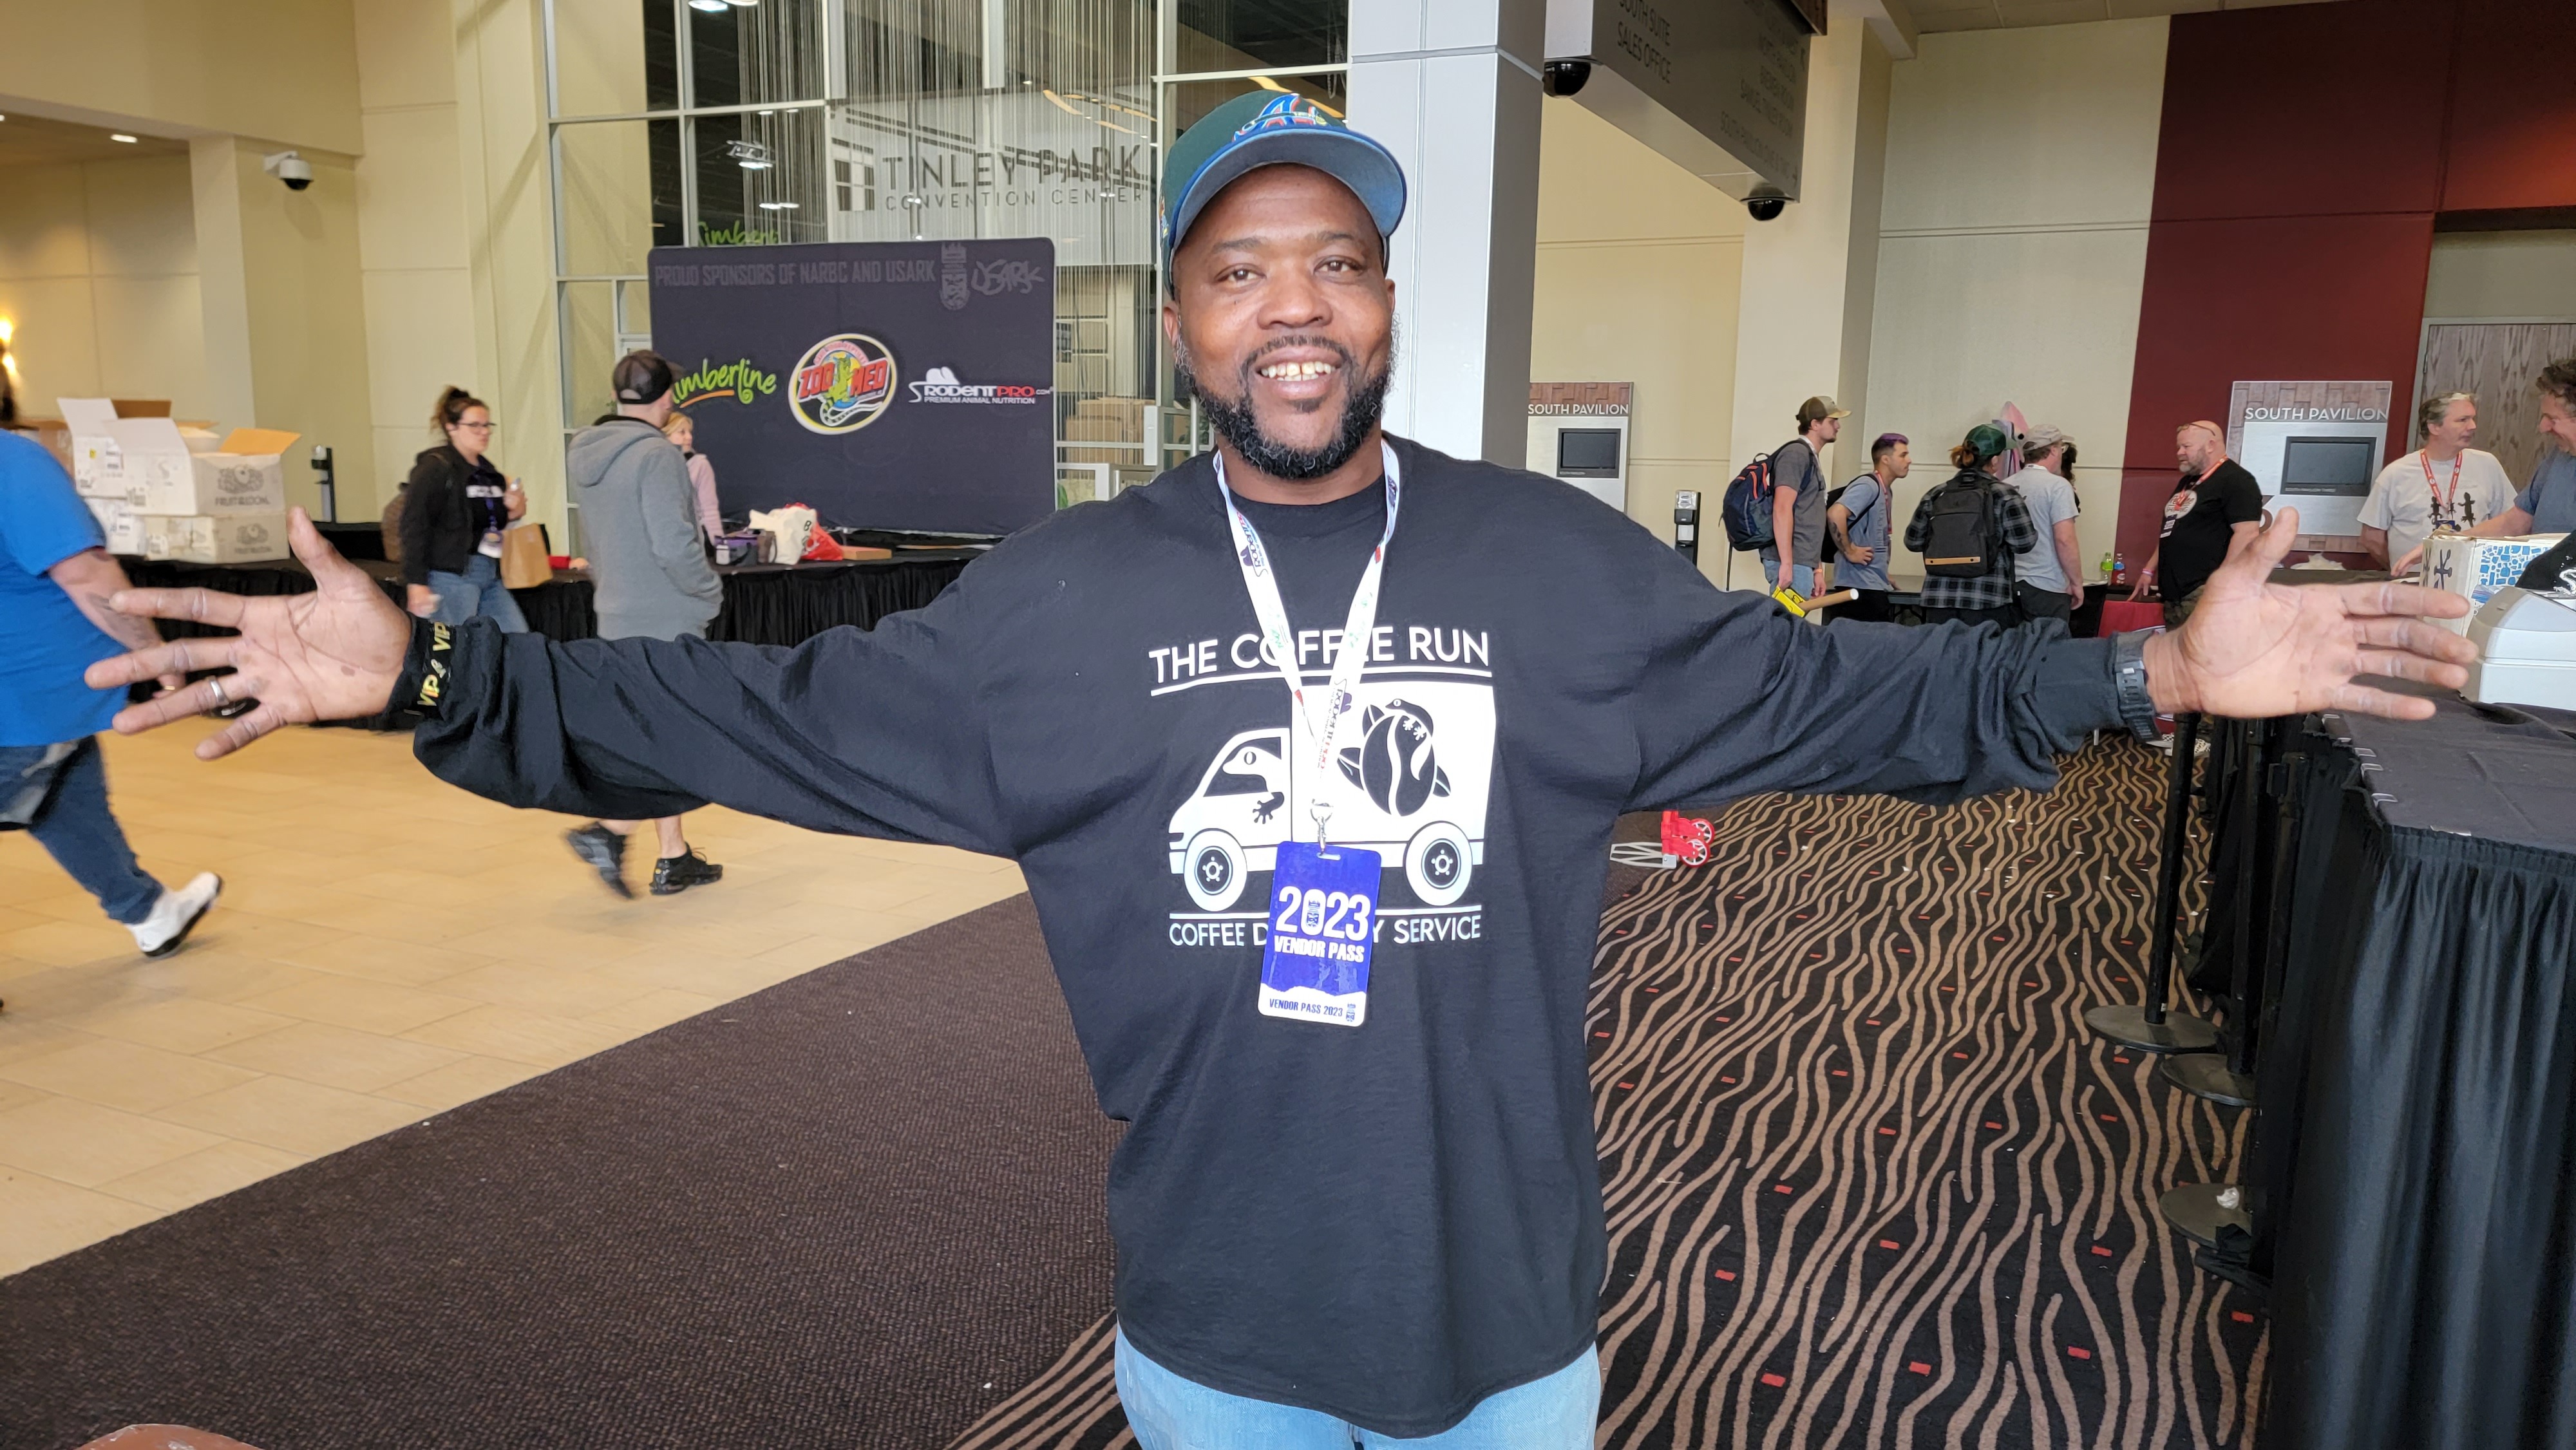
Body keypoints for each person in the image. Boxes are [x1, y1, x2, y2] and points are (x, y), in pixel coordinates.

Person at [82, 91, 2476, 1449]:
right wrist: (443, 680)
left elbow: (1847, 701)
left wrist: (2150, 682)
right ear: (1186, 320)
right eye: (1241, 269)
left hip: (1512, 1321)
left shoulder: (1544, 566)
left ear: (1385, 301)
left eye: (1333, 260)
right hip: (1214, 1329)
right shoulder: (1058, 606)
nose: (1294, 302)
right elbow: (751, 718)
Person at [1, 429, 220, 971]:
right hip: (28, 700)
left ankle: (149, 911)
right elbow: (84, 572)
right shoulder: (13, 459)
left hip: (50, 706)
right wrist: (155, 654)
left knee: (65, 800)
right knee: (52, 783)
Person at [560, 351, 725, 899]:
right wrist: (708, 592)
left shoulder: (587, 453)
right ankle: (610, 831)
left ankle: (673, 856)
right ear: (666, 398)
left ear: (618, 396)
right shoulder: (657, 456)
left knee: (652, 727)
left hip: (616, 610)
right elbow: (674, 545)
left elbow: (597, 539)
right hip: (666, 614)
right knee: (670, 734)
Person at [2393, 357, 2576, 576]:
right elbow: (2516, 521)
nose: (2543, 427)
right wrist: (2449, 544)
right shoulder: (2559, 457)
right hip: (2544, 586)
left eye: (2552, 419)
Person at [398, 388, 529, 632]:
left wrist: (514, 512)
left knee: (516, 638)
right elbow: (414, 525)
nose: (484, 432)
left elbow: (487, 521)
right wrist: (416, 582)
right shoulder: (435, 468)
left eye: (487, 425)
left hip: (488, 571)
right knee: (452, 645)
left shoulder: (488, 471)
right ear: (452, 428)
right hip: (451, 574)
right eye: (475, 426)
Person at [2357, 391, 2514, 571]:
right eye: (2463, 420)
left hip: (2472, 579)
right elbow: (2372, 538)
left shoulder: (2487, 465)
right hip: (2413, 582)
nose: (2473, 426)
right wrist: (2401, 568)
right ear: (2434, 427)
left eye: (2473, 419)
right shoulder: (2396, 474)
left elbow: (2511, 523)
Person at [2132, 420, 2262, 630]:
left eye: (2186, 447)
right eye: (2179, 447)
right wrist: (2149, 570)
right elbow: (2171, 530)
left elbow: (2247, 533)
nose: (2179, 453)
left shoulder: (2237, 480)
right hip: (2174, 595)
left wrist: (2220, 582)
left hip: (2204, 593)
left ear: (2210, 445)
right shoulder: (2187, 482)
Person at [1904, 424, 2036, 628]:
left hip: (1939, 600)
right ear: (1994, 460)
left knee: (1942, 650)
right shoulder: (2005, 495)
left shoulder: (1937, 494)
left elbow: (1913, 542)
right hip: (1988, 600)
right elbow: (2024, 543)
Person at [2002, 424, 2085, 626]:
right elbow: (2064, 539)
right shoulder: (2058, 486)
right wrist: (2076, 582)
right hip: (2046, 587)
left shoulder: (2004, 485)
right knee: (2048, 646)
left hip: (2007, 587)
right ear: (2054, 450)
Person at [1762, 397, 1845, 599]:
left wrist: (1817, 569)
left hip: (1801, 561)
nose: (1838, 426)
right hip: (1793, 561)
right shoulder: (1796, 454)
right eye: (1833, 421)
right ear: (1815, 424)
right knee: (1786, 618)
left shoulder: (1808, 456)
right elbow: (1782, 508)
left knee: (1792, 618)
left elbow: (1808, 516)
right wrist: (1787, 564)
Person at [1825, 433, 1907, 624]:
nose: (1909, 460)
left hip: (1871, 586)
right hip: (1858, 589)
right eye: (1903, 455)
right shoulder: (1868, 486)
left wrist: (1882, 572)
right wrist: (1850, 551)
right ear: (1885, 459)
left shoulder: (1885, 490)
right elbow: (1836, 513)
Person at [661, 409, 725, 543]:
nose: (689, 437)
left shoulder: (700, 465)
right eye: (682, 432)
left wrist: (719, 545)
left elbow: (709, 510)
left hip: (692, 539)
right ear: (666, 435)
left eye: (690, 432)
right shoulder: (656, 466)